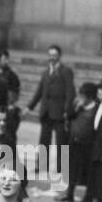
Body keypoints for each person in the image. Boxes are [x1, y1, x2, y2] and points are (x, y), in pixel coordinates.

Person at [27, 44, 75, 176]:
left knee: (61, 142)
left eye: (54, 55)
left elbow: (70, 92)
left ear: (59, 56)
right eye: (50, 55)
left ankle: (62, 167)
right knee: (44, 141)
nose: (52, 58)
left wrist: (67, 110)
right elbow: (39, 92)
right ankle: (41, 165)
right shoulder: (46, 72)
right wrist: (29, 107)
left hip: (59, 112)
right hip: (46, 111)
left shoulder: (66, 71)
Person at [58, 82, 98, 202]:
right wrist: (76, 108)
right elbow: (68, 116)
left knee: (87, 171)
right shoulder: (78, 106)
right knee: (71, 169)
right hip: (74, 141)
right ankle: (69, 193)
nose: (80, 98)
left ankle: (88, 197)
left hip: (87, 143)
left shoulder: (96, 109)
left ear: (90, 97)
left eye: (83, 96)